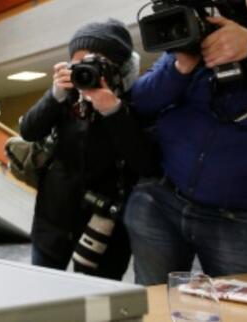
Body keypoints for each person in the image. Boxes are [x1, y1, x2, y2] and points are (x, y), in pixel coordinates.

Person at [124, 0, 247, 285]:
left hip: (245, 218)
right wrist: (182, 65)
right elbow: (141, 100)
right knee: (153, 303)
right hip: (161, 202)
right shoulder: (204, 28)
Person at [19, 19, 157, 280]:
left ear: (118, 67)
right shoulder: (66, 96)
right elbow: (28, 131)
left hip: (106, 223)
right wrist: (55, 95)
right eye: (78, 63)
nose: (86, 70)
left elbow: (146, 163)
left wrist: (113, 111)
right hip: (53, 219)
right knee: (44, 289)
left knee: (100, 297)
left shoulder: (137, 100)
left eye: (96, 63)